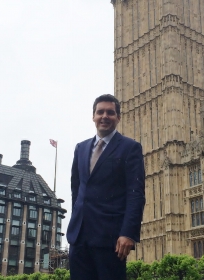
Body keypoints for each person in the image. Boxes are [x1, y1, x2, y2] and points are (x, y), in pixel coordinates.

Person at [67, 94, 146, 280]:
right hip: (79, 237)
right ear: (93, 116)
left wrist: (128, 233)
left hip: (110, 239)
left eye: (110, 113)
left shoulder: (130, 147)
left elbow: (135, 194)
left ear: (118, 117)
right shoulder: (81, 148)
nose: (104, 116)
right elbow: (76, 190)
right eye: (100, 112)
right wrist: (75, 221)